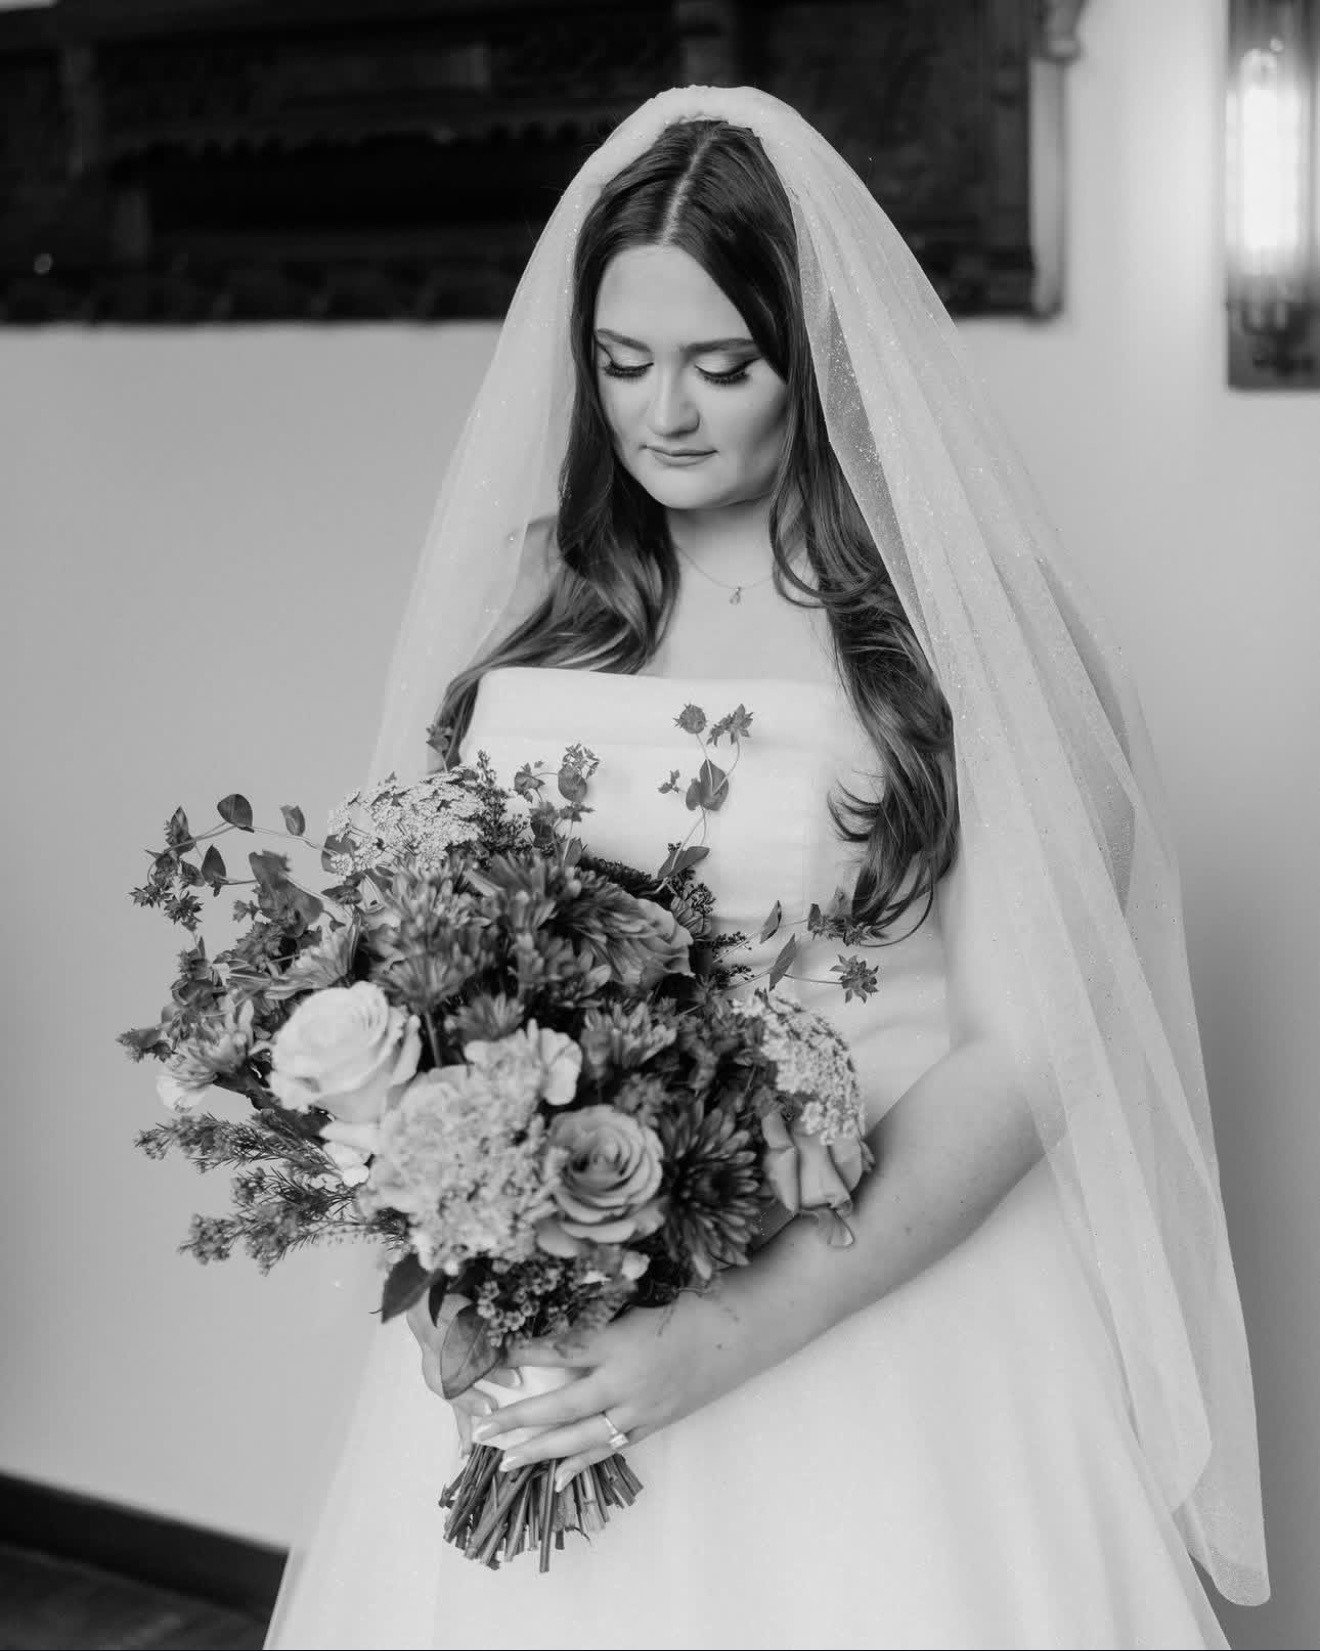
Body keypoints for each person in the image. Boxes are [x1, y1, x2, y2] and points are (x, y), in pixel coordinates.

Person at [265, 86, 1267, 1650]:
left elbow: (1034, 1047)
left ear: (819, 356)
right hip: (562, 1316)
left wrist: (726, 1334)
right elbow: (428, 951)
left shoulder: (969, 624)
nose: (663, 414)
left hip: (876, 1306)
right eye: (622, 364)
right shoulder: (546, 591)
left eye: (723, 365)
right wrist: (462, 1217)